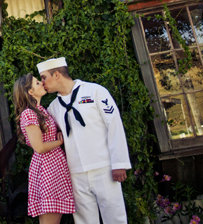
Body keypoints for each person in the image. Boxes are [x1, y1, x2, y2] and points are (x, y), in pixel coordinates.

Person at [37, 57, 131, 224]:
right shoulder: (53, 107)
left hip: (104, 168)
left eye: (44, 77)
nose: (42, 82)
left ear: (57, 74)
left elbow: (114, 125)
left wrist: (119, 163)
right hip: (75, 173)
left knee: (115, 218)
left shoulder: (95, 91)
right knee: (84, 221)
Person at [13, 73, 76, 224]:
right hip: (47, 167)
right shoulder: (29, 113)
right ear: (30, 92)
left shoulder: (42, 110)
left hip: (55, 166)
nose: (41, 83)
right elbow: (39, 147)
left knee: (56, 217)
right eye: (36, 83)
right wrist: (58, 142)